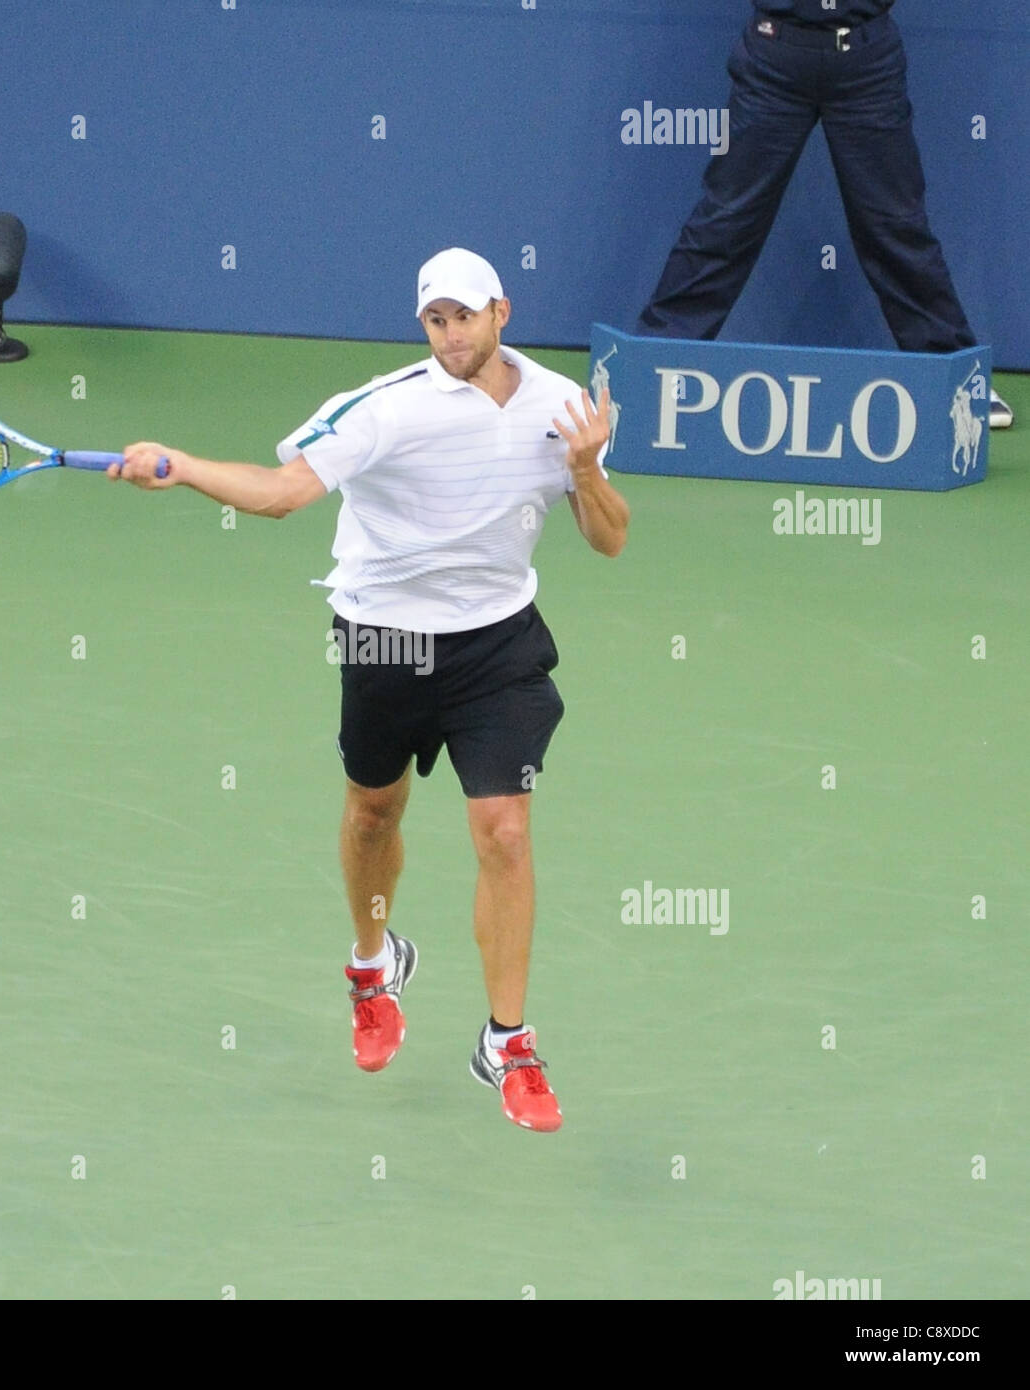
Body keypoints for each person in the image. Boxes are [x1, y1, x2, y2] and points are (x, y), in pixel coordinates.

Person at [109, 247, 630, 1131]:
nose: (452, 333)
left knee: (504, 830)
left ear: (502, 311)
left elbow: (609, 539)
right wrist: (188, 467)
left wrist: (584, 468)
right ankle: (372, 962)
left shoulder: (562, 408)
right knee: (372, 815)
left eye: (466, 315)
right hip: (385, 636)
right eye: (436, 319)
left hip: (497, 643)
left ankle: (507, 1041)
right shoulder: (383, 409)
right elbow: (283, 493)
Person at [637, 0, 1014, 428]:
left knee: (895, 226)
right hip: (772, 57)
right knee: (726, 217)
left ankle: (957, 379)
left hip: (868, 61)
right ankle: (654, 362)